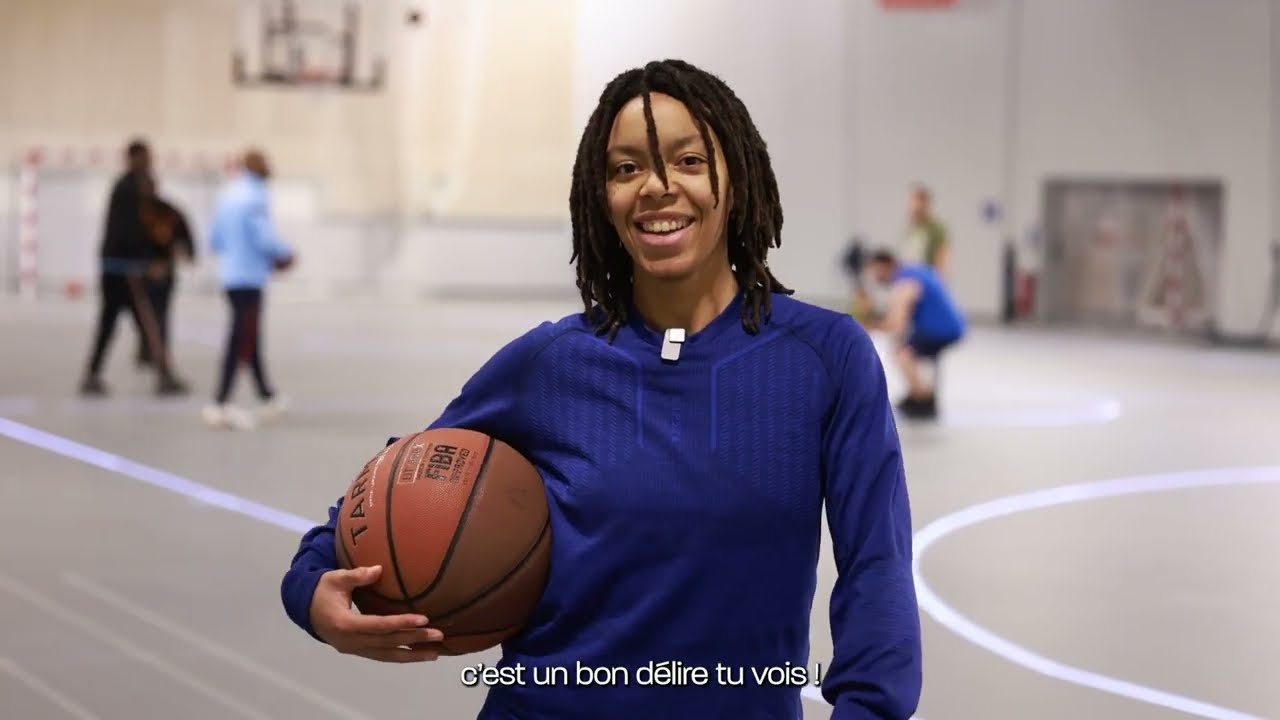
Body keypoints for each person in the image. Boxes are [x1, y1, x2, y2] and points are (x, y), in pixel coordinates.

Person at [280, 59, 921, 719]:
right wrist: (311, 592)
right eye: (625, 169)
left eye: (690, 160)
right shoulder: (549, 362)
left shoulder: (825, 359)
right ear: (600, 198)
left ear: (738, 176)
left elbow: (878, 569)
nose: (657, 187)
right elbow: (394, 485)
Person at [78, 139, 189, 397]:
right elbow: (131, 233)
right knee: (148, 324)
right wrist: (149, 262)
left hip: (115, 267)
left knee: (117, 324)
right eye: (146, 157)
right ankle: (163, 375)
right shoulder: (129, 190)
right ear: (134, 158)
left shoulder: (126, 188)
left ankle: (94, 374)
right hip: (126, 270)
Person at [201, 149, 293, 430]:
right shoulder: (255, 195)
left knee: (248, 337)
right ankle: (219, 402)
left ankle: (267, 395)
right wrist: (285, 253)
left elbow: (215, 240)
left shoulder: (228, 194)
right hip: (249, 278)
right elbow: (264, 237)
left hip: (230, 277)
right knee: (241, 339)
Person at [864, 249, 966, 420]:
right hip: (948, 325)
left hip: (940, 329)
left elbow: (896, 323)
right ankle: (918, 393)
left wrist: (868, 324)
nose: (875, 277)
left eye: (875, 271)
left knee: (902, 353)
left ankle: (923, 400)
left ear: (884, 266)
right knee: (904, 347)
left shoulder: (905, 282)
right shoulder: (914, 271)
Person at [134, 176, 196, 370]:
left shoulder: (167, 211)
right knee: (146, 317)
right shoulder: (135, 213)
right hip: (142, 274)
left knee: (160, 318)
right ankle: (148, 350)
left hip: (163, 273)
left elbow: (185, 236)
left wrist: (186, 253)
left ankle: (161, 361)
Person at [902, 185, 949, 278]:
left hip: (926, 280)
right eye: (910, 203)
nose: (912, 208)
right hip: (910, 280)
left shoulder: (936, 228)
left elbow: (942, 259)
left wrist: (939, 280)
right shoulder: (911, 229)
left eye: (916, 204)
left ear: (925, 205)